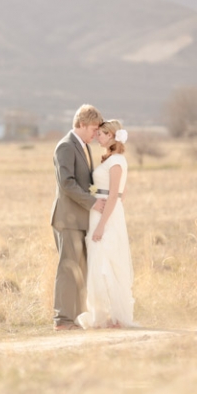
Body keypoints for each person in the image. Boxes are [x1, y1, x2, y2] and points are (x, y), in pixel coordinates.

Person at [51, 104, 106, 331]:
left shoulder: (83, 146)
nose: (96, 133)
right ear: (81, 124)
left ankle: (74, 318)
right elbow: (67, 183)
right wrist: (93, 202)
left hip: (80, 219)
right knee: (68, 268)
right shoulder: (65, 146)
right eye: (94, 128)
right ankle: (62, 320)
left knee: (79, 269)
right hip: (68, 219)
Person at [76, 119, 135, 329]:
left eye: (101, 133)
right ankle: (103, 313)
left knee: (108, 260)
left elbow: (115, 195)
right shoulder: (109, 160)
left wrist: (102, 225)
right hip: (101, 213)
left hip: (106, 217)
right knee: (99, 261)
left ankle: (116, 316)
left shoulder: (117, 161)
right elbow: (122, 192)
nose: (97, 136)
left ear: (111, 136)